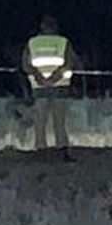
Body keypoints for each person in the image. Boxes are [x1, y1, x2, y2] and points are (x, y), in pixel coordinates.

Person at [23, 17, 78, 150]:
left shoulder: (33, 42)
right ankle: (62, 148)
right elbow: (70, 62)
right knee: (59, 122)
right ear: (56, 27)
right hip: (60, 86)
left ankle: (40, 148)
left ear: (42, 27)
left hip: (39, 87)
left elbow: (26, 64)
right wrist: (55, 77)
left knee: (40, 122)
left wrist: (39, 77)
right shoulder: (63, 42)